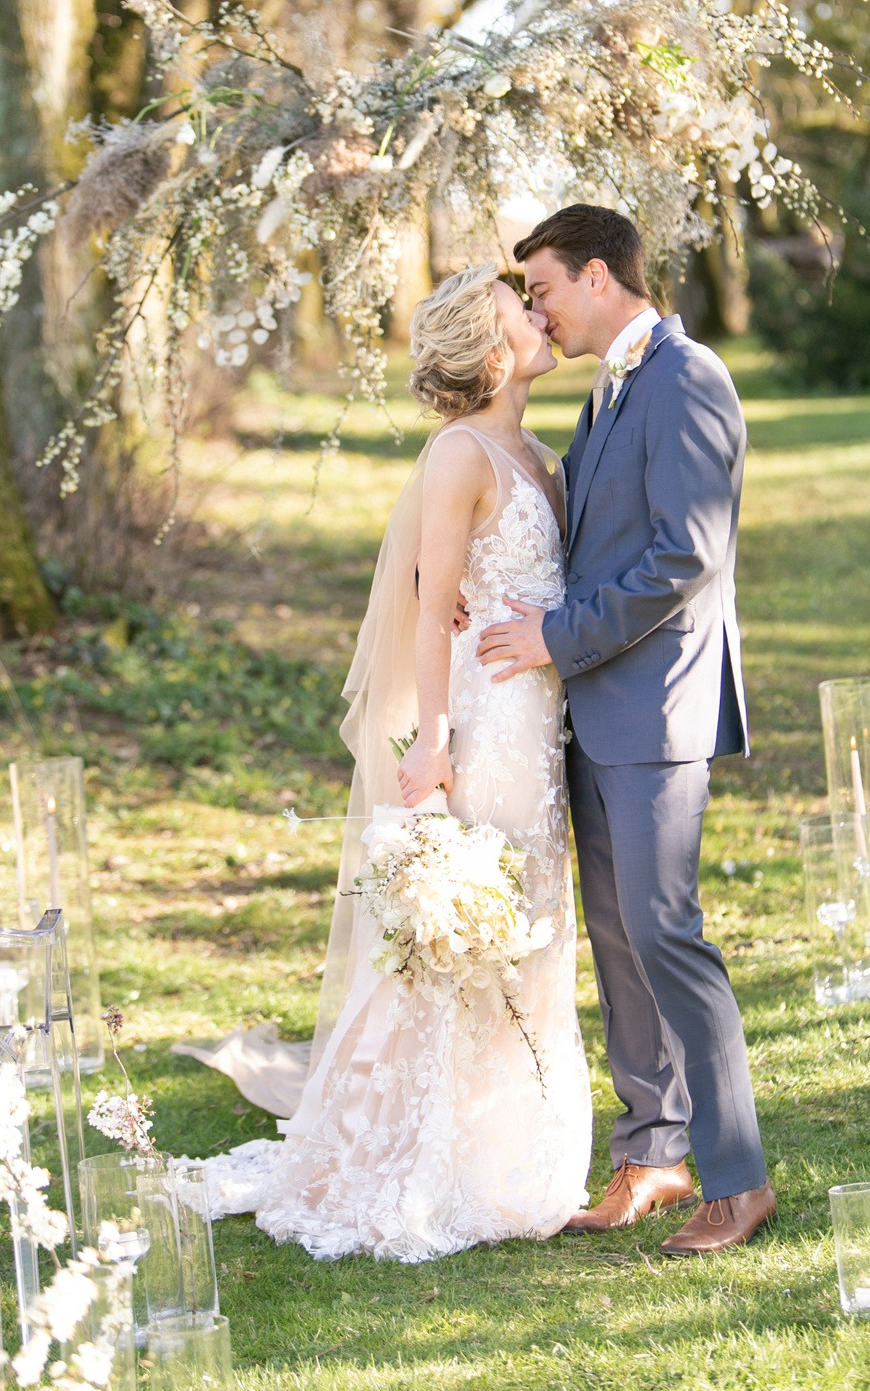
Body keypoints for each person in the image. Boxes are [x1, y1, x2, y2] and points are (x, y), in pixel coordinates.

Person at [201, 261, 593, 1262]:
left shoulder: (540, 454)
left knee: (535, 919)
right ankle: (428, 1157)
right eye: (523, 309)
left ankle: (509, 1143)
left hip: (539, 722)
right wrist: (434, 741)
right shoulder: (462, 454)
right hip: (486, 724)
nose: (542, 316)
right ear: (493, 347)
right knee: (476, 933)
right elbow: (429, 607)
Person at [476, 203, 775, 1254]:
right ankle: (653, 1154)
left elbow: (681, 560)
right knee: (619, 941)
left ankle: (738, 1182)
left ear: (598, 275)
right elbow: (594, 540)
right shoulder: (612, 390)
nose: (539, 314)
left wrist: (556, 637)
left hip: (655, 709)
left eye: (546, 289)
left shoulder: (687, 379)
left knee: (668, 938)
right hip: (596, 714)